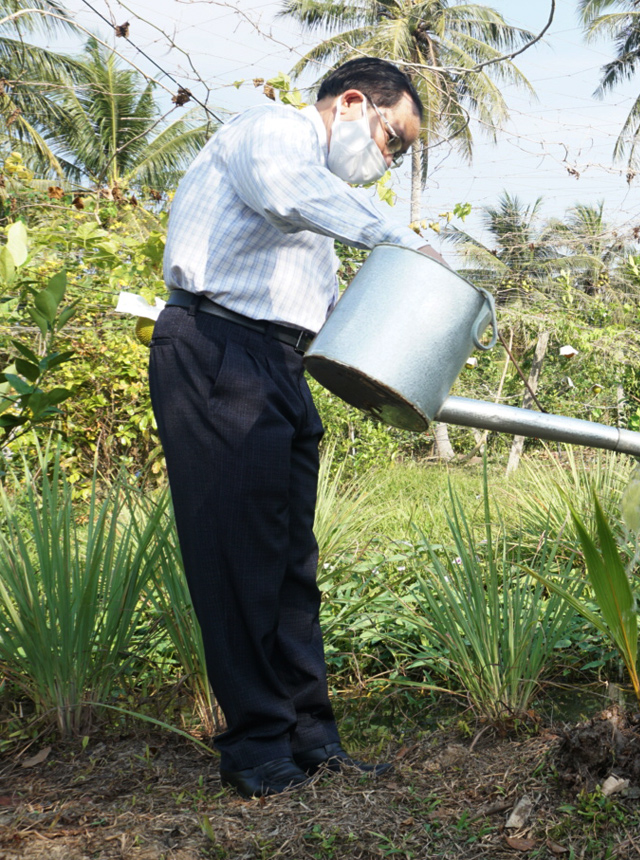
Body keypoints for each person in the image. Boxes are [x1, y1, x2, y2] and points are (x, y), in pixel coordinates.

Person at [149, 57, 444, 798]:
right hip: (218, 349)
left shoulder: (324, 209)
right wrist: (404, 240)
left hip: (279, 363)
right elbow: (286, 194)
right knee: (238, 559)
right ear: (352, 103)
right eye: (392, 140)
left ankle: (311, 738)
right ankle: (256, 750)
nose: (389, 159)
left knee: (288, 565)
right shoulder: (274, 133)